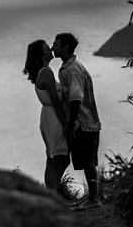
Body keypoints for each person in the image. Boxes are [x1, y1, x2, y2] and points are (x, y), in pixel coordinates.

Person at [52, 32, 103, 211]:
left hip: (84, 123)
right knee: (86, 160)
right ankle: (93, 196)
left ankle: (94, 198)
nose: (53, 48)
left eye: (56, 45)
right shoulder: (68, 68)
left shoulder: (72, 70)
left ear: (65, 47)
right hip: (84, 122)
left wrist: (71, 123)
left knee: (88, 162)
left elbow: (75, 98)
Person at [23, 40, 71, 192]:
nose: (50, 49)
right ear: (41, 54)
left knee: (62, 157)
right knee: (54, 158)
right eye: (46, 48)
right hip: (53, 118)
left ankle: (52, 192)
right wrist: (66, 124)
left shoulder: (44, 71)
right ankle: (51, 195)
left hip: (49, 116)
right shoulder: (46, 72)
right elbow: (56, 102)